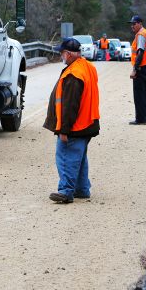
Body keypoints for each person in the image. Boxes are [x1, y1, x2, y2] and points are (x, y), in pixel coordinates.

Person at [43, 37, 100, 204]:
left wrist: (63, 130)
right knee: (79, 158)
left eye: (62, 53)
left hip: (75, 126)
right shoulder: (87, 67)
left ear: (68, 54)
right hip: (88, 122)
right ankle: (82, 189)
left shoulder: (73, 74)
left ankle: (66, 191)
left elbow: (69, 106)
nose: (61, 56)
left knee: (66, 156)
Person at [128, 15, 146, 125]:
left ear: (140, 23)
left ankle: (140, 119)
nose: (132, 26)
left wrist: (135, 69)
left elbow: (140, 53)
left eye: (134, 23)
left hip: (141, 67)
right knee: (144, 92)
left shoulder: (140, 35)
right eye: (131, 24)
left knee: (139, 94)